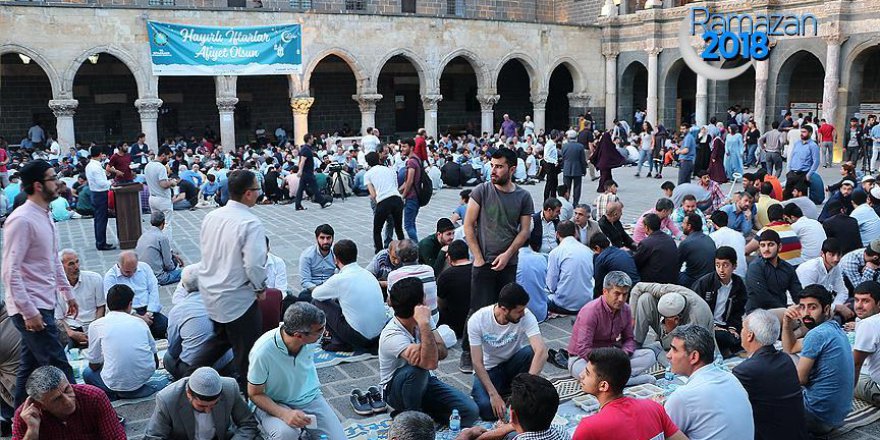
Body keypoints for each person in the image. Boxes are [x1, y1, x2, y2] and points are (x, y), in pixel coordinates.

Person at [2, 160, 78, 408]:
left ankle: (16, 421)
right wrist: (29, 312)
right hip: (30, 308)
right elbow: (10, 272)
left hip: (43, 303)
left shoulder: (45, 215)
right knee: (59, 364)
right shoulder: (21, 220)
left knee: (28, 365)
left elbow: (53, 259)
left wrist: (67, 292)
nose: (57, 182)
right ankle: (83, 412)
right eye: (51, 178)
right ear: (37, 185)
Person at [461, 148, 533, 373]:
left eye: (499, 166)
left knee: (506, 309)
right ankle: (467, 351)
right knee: (478, 308)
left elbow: (524, 231)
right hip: (484, 263)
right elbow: (468, 225)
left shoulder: (523, 196)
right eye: (492, 165)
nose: (494, 170)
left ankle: (504, 350)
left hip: (508, 263)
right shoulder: (481, 191)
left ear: (511, 169)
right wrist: (479, 258)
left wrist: (508, 254)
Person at [198, 170, 268, 391]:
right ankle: (251, 394)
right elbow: (254, 264)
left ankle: (189, 372)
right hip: (238, 296)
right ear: (248, 194)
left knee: (222, 339)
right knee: (248, 350)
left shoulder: (212, 216)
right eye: (257, 189)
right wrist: (260, 287)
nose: (259, 193)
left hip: (212, 291)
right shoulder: (250, 222)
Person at [379, 277, 479, 426]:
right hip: (395, 390)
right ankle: (412, 417)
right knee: (417, 370)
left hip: (426, 382)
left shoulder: (423, 319)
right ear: (418, 306)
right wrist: (426, 335)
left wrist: (423, 349)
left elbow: (442, 352)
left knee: (470, 412)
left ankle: (423, 413)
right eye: (424, 298)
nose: (427, 302)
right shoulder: (392, 335)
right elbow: (430, 363)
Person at [248, 302, 346, 440]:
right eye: (319, 331)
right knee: (285, 434)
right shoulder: (263, 352)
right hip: (273, 402)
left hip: (308, 398)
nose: (323, 333)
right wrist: (284, 414)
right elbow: (254, 394)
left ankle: (305, 433)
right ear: (299, 336)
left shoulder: (310, 339)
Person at [781, 285, 854, 435]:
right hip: (837, 417)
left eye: (812, 307)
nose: (806, 313)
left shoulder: (817, 334)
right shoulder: (834, 328)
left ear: (826, 309)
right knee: (789, 358)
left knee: (764, 395)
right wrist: (786, 322)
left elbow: (799, 380)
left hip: (818, 418)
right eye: (802, 307)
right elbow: (790, 348)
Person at [468, 283, 547, 421]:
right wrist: (493, 395)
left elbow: (541, 351)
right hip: (489, 370)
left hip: (513, 364)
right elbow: (477, 362)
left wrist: (528, 386)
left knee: (531, 352)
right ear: (504, 309)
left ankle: (516, 388)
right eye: (519, 311)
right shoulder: (478, 320)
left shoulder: (526, 316)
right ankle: (502, 391)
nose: (523, 314)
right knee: (487, 410)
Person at [573, 347, 686, 440]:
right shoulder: (654, 408)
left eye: (587, 373)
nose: (581, 375)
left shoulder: (589, 427)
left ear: (603, 386)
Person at [665, 324, 754, 440]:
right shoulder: (731, 379)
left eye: (674, 350)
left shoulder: (684, 396)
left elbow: (660, 433)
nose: (668, 355)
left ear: (694, 357)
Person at [732, 309, 808, 440]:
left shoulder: (745, 371)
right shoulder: (786, 359)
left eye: (743, 328)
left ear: (750, 335)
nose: (741, 332)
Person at [84, 284, 169, 400]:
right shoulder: (140, 322)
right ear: (130, 305)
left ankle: (113, 396)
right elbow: (155, 361)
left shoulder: (95, 325)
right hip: (143, 378)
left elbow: (93, 365)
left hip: (114, 383)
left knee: (87, 373)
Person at [568, 271, 657, 380]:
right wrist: (606, 362)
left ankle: (614, 380)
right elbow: (583, 349)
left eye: (625, 294)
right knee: (587, 375)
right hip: (584, 360)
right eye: (617, 293)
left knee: (649, 356)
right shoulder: (590, 312)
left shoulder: (626, 309)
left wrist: (623, 354)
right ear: (605, 291)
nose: (621, 299)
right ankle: (626, 379)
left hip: (612, 356)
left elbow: (629, 339)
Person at [311, 239, 386, 353]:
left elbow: (316, 294)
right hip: (379, 334)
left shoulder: (339, 279)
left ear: (336, 259)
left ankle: (338, 342)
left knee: (317, 302)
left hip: (360, 338)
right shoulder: (368, 274)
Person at [12, 366, 126, 439]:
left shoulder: (93, 397)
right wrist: (32, 431)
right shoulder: (26, 416)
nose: (68, 401)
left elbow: (116, 437)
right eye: (56, 399)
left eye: (67, 389)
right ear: (40, 405)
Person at [145, 366, 259, 440]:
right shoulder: (167, 399)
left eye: (214, 404)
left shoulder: (230, 388)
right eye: (202, 406)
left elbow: (248, 424)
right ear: (189, 394)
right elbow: (153, 436)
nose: (208, 410)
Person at [691, 246, 746, 357]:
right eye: (717, 265)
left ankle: (728, 347)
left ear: (734, 266)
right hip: (707, 326)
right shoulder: (705, 283)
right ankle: (727, 349)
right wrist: (712, 325)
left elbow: (738, 311)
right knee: (721, 337)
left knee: (748, 334)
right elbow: (694, 309)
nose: (721, 269)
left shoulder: (738, 284)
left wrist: (733, 328)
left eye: (725, 265)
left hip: (727, 326)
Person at [630, 283, 715, 353]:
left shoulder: (697, 316)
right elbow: (637, 288)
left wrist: (669, 332)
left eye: (665, 319)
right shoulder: (667, 290)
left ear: (676, 319)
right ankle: (636, 343)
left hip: (692, 344)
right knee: (645, 298)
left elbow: (694, 351)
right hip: (673, 330)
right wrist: (632, 317)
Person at [103, 250, 167, 339]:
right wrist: (138, 318)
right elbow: (113, 304)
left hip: (148, 310)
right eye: (128, 272)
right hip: (126, 314)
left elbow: (153, 291)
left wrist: (149, 313)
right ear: (119, 265)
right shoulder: (110, 277)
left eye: (134, 270)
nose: (132, 274)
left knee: (166, 327)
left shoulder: (145, 268)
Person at [743, 230, 802, 315]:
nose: (766, 249)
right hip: (758, 313)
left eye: (770, 245)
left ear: (780, 247)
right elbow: (762, 296)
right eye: (763, 245)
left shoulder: (787, 268)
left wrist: (803, 307)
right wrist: (786, 310)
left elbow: (797, 293)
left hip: (782, 312)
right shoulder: (755, 267)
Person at [796, 238, 852, 323]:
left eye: (839, 255)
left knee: (853, 305)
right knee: (835, 319)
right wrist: (836, 308)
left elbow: (843, 291)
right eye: (832, 255)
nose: (836, 259)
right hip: (801, 306)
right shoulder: (811, 269)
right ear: (822, 254)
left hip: (823, 305)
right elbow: (808, 299)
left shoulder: (835, 266)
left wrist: (836, 306)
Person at [546, 221, 593, 315]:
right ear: (575, 233)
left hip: (563, 304)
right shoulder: (588, 251)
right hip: (587, 301)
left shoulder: (556, 253)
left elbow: (551, 285)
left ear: (557, 234)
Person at [387, 239, 439, 321]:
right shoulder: (429, 270)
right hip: (433, 317)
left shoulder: (393, 276)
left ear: (399, 257)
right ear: (417, 255)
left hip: (408, 322)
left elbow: (391, 302)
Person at [364, 151, 405, 254]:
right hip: (397, 199)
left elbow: (373, 195)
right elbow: (395, 186)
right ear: (378, 159)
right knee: (399, 228)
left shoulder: (368, 174)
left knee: (377, 230)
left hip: (383, 201)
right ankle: (405, 251)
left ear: (368, 163)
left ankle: (380, 253)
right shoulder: (388, 169)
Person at [851, 281, 880, 407]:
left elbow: (856, 364)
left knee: (837, 372)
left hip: (876, 386)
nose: (859, 305)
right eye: (856, 300)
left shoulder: (868, 324)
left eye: (865, 301)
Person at [136, 211, 184, 286]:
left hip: (143, 275)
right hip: (158, 277)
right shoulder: (162, 238)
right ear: (163, 223)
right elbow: (168, 264)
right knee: (185, 273)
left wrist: (173, 255)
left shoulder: (143, 235)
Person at [436, 240, 473, 338]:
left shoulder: (445, 276)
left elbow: (440, 303)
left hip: (454, 326)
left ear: (449, 257)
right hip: (475, 323)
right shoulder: (478, 272)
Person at [633, 213, 680, 285]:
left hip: (655, 283)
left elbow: (636, 263)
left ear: (646, 227)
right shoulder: (670, 239)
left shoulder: (646, 243)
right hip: (672, 279)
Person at [296, 224, 336, 306]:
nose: (325, 241)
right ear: (316, 238)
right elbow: (305, 281)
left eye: (328, 238)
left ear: (332, 238)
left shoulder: (337, 254)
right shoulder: (307, 255)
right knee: (303, 297)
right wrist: (320, 292)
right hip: (313, 290)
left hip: (331, 289)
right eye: (322, 238)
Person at [145, 146, 178, 241]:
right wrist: (172, 182)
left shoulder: (148, 166)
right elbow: (163, 184)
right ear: (163, 155)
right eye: (168, 157)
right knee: (167, 224)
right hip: (162, 199)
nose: (168, 160)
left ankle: (156, 244)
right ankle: (168, 248)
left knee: (155, 225)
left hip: (152, 198)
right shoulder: (160, 167)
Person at [85, 146, 115, 250]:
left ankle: (100, 241)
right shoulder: (96, 167)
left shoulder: (90, 165)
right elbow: (101, 183)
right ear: (99, 154)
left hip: (95, 193)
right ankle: (101, 243)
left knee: (98, 219)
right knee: (101, 219)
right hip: (100, 194)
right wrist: (110, 182)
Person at [678, 213, 717, 287]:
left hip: (694, 281)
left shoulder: (686, 243)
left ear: (689, 226)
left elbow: (676, 267)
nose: (682, 226)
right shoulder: (709, 239)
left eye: (683, 223)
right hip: (710, 280)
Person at [784, 125, 821, 199]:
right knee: (787, 195)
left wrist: (809, 174)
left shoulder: (813, 146)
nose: (802, 134)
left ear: (810, 133)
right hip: (792, 173)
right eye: (801, 132)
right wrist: (788, 170)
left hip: (803, 174)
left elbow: (816, 161)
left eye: (804, 132)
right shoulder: (797, 143)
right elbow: (792, 157)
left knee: (801, 197)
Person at [398, 138, 422, 240]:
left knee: (408, 225)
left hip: (411, 197)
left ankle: (416, 247)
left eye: (404, 146)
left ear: (411, 147)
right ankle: (416, 246)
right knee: (412, 223)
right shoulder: (417, 159)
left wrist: (403, 195)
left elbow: (409, 181)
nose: (402, 149)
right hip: (416, 196)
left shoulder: (411, 162)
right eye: (401, 146)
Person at [561, 130, 587, 206]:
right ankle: (575, 202)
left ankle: (565, 201)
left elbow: (563, 158)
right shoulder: (580, 146)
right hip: (577, 169)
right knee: (577, 187)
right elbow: (582, 160)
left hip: (567, 168)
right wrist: (584, 170)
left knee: (566, 187)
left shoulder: (564, 146)